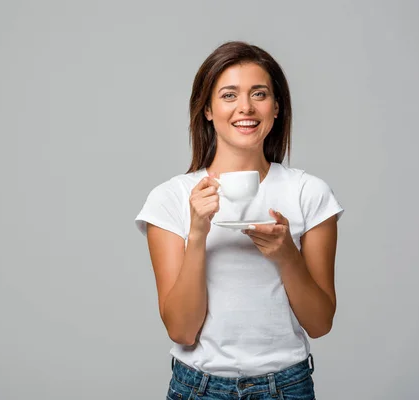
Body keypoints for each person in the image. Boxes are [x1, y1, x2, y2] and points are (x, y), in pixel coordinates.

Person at [134, 41, 344, 400]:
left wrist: (286, 255)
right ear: (208, 110)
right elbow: (182, 331)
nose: (245, 107)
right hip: (198, 388)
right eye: (229, 95)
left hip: (286, 387)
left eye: (259, 94)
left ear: (276, 108)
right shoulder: (170, 198)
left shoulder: (309, 193)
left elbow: (320, 323)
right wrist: (197, 233)